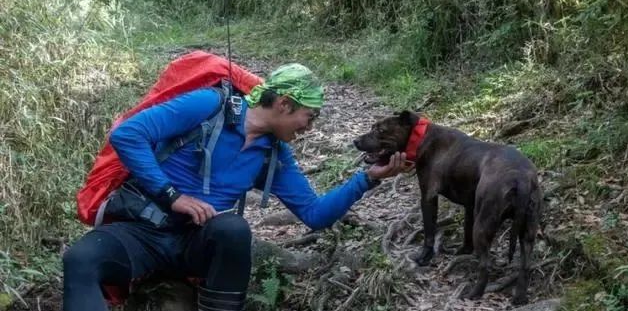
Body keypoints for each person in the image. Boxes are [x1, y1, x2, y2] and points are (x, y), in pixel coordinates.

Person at [62, 63, 411, 311]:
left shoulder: (273, 155)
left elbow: (314, 214)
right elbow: (128, 135)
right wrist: (173, 196)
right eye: (310, 115)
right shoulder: (207, 106)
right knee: (80, 260)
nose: (310, 126)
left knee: (232, 228)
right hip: (141, 231)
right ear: (284, 104)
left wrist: (368, 179)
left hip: (195, 242)